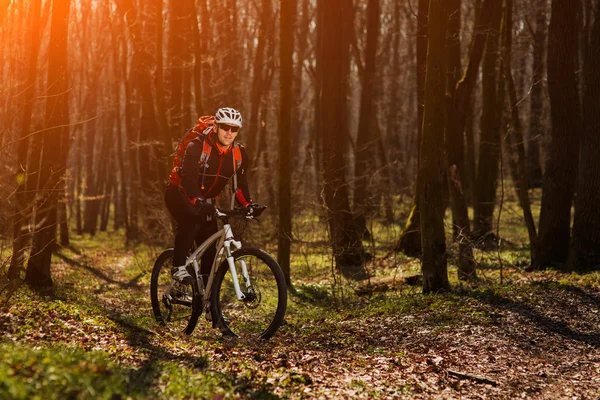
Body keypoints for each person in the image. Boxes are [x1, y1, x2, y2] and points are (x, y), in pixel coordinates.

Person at [164, 107, 254, 285]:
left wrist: (248, 205)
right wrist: (199, 201)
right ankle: (178, 267)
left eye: (234, 129)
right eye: (225, 127)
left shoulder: (238, 154)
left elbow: (240, 186)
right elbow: (188, 180)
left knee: (210, 251)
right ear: (216, 127)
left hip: (205, 201)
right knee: (192, 220)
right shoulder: (197, 146)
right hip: (178, 193)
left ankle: (207, 299)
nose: (229, 133)